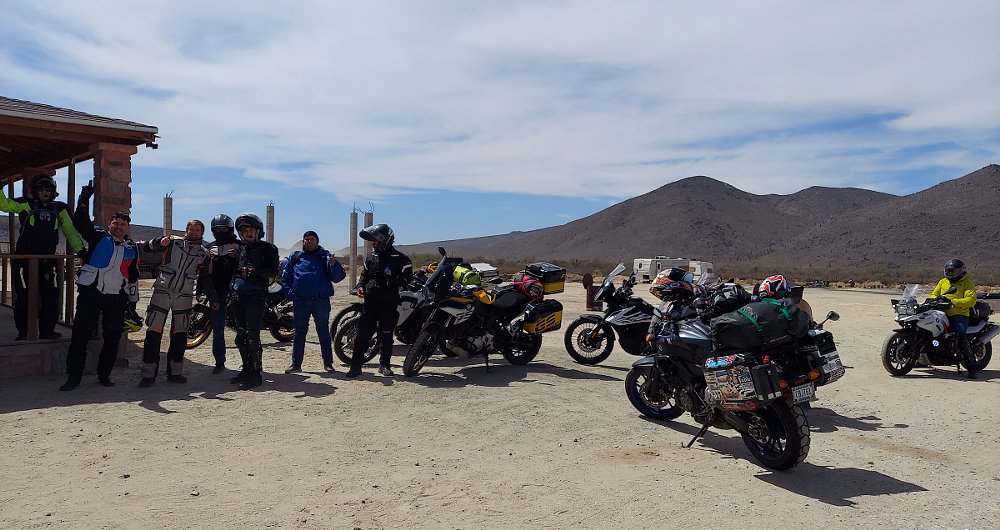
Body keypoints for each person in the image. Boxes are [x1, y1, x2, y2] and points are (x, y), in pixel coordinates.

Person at [59, 181, 139, 391]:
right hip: (91, 293)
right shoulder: (98, 236)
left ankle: (105, 375)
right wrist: (84, 197)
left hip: (116, 298)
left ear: (128, 227)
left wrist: (132, 304)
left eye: (123, 224)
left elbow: (132, 277)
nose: (119, 227)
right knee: (80, 335)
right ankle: (73, 377)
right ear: (110, 224)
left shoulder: (132, 248)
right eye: (116, 223)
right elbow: (80, 222)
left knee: (112, 338)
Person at [0, 174, 84, 340]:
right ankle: (23, 333)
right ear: (35, 191)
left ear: (54, 191)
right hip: (24, 259)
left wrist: (80, 250)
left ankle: (47, 331)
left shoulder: (60, 208)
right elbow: (4, 205)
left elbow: (71, 231)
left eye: (49, 189)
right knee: (24, 296)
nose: (45, 192)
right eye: (41, 188)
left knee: (51, 295)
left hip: (48, 259)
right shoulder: (26, 204)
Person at [136, 220, 212, 387]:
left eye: (197, 230)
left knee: (180, 333)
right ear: (186, 230)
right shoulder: (172, 242)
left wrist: (205, 296)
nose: (194, 232)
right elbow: (147, 247)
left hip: (184, 295)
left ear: (202, 233)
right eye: (191, 229)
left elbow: (205, 277)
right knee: (154, 331)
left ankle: (175, 372)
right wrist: (158, 241)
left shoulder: (204, 254)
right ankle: (148, 374)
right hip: (162, 291)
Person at [346, 224, 412, 378]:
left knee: (387, 335)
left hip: (389, 303)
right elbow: (364, 276)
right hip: (370, 303)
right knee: (363, 334)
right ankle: (355, 366)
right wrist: (360, 286)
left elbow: (408, 279)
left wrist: (393, 280)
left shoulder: (401, 259)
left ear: (384, 240)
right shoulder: (371, 257)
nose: (372, 243)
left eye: (375, 240)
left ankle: (384, 365)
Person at [281, 230, 346, 374]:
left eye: (312, 239)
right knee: (299, 333)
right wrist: (291, 294)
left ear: (317, 242)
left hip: (320, 301)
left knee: (323, 332)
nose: (309, 241)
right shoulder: (296, 257)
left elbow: (338, 277)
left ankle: (328, 363)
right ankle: (296, 364)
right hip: (300, 302)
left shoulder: (326, 257)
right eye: (306, 239)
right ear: (303, 241)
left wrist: (334, 264)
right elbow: (286, 278)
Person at [229, 212, 280, 389]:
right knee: (240, 337)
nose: (247, 233)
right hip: (238, 297)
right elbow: (235, 272)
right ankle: (246, 369)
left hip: (256, 297)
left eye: (250, 229)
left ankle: (256, 373)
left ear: (258, 231)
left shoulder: (268, 248)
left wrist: (255, 272)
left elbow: (273, 271)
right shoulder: (240, 249)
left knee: (252, 336)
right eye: (244, 231)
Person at [203, 213, 242, 373]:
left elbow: (246, 265)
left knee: (242, 329)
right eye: (218, 229)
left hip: (237, 292)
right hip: (216, 292)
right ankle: (220, 362)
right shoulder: (209, 247)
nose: (221, 231)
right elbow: (204, 273)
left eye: (224, 229)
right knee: (218, 329)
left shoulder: (240, 246)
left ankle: (248, 362)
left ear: (230, 229)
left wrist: (236, 257)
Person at [930, 258, 979, 378]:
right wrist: (931, 300)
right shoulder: (943, 282)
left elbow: (971, 300)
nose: (950, 274)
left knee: (960, 335)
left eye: (952, 271)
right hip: (941, 312)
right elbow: (934, 294)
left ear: (960, 271)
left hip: (960, 314)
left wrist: (953, 301)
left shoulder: (967, 283)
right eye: (948, 271)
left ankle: (972, 366)